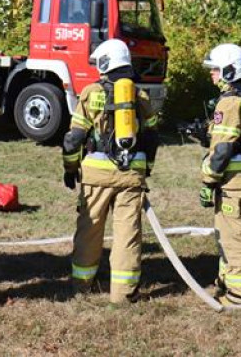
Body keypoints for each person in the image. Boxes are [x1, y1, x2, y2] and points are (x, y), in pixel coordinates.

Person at [63, 39, 160, 304]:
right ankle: (123, 294)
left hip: (96, 175)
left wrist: (70, 168)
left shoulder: (91, 92)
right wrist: (145, 169)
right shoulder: (139, 95)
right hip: (132, 175)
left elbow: (74, 138)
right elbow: (152, 137)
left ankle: (82, 288)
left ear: (106, 62)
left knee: (90, 230)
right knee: (128, 234)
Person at [200, 43, 241, 305]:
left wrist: (207, 180)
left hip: (233, 179)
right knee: (227, 230)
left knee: (234, 233)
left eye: (215, 69)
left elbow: (223, 149)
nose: (212, 74)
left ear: (228, 70)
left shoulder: (229, 101)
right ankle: (226, 281)